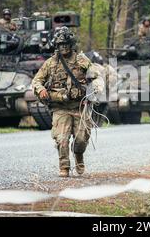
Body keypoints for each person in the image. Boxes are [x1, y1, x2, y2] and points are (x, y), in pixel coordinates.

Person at [32, 27, 103, 178]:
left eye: (66, 44)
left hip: (79, 107)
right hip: (60, 108)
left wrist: (95, 88)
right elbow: (37, 81)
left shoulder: (81, 60)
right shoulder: (50, 64)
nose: (63, 47)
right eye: (60, 44)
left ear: (71, 45)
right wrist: (40, 90)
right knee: (62, 139)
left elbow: (96, 76)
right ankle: (64, 166)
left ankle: (78, 156)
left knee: (81, 140)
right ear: (56, 46)